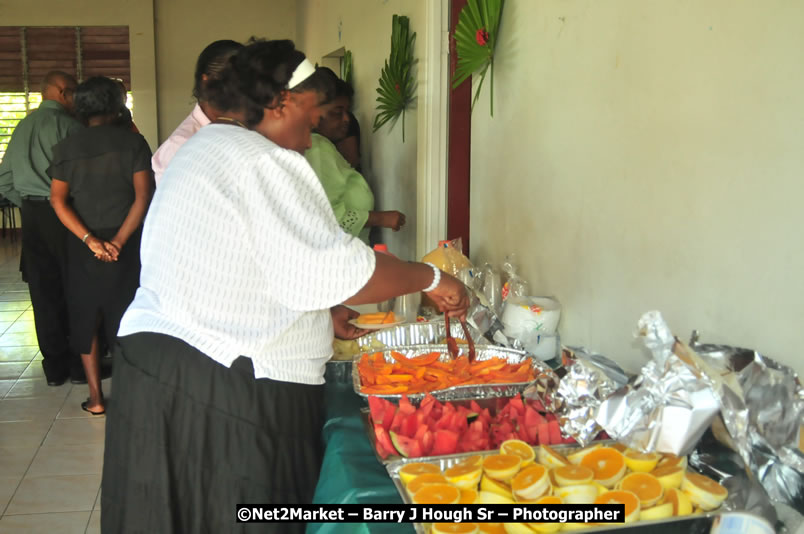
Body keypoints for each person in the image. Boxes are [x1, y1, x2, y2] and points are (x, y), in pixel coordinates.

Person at [101, 39, 469, 534]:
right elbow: (340, 270)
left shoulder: (206, 146)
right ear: (281, 102)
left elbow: (245, 260)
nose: (309, 138)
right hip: (220, 386)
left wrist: (319, 311)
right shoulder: (262, 160)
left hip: (159, 370)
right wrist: (430, 277)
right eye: (312, 120)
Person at [48, 76, 154, 415]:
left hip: (82, 245)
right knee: (127, 315)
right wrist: (119, 241)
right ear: (117, 104)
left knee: (85, 317)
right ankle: (131, 397)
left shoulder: (67, 148)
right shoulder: (133, 145)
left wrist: (91, 240)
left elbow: (58, 202)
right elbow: (143, 197)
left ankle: (95, 398)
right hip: (127, 243)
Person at [0, 71, 84, 386]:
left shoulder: (22, 127)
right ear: (62, 93)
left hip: (33, 215)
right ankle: (80, 366)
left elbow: (4, 179)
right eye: (74, 92)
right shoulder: (70, 127)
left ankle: (54, 368)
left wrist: (28, 205)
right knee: (75, 288)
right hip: (67, 213)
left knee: (42, 291)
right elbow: (82, 178)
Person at [305, 68, 405, 244]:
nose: (346, 119)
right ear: (315, 113)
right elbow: (328, 216)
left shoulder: (324, 147)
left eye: (347, 111)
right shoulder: (318, 149)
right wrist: (381, 219)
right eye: (337, 112)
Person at [150, 39, 243, 185]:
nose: (242, 90)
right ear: (206, 81)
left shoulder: (247, 128)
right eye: (232, 81)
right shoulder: (179, 146)